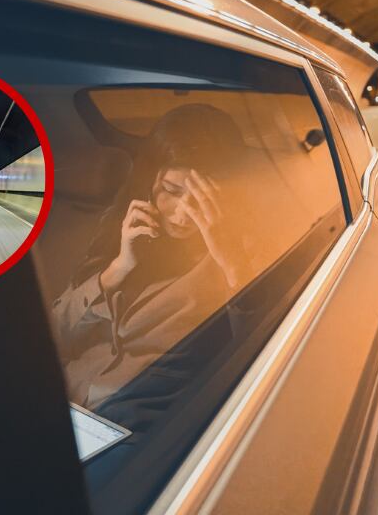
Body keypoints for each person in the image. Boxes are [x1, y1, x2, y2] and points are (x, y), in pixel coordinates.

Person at [51, 104, 255, 409]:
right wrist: (117, 269)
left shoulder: (239, 257)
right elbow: (56, 335)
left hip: (130, 425)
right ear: (149, 180)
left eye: (200, 197)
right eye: (172, 191)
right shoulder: (125, 224)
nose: (182, 213)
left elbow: (254, 358)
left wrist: (231, 262)